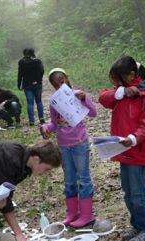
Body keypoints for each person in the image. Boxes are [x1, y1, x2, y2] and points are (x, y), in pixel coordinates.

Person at [99, 55, 145, 241]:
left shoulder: (144, 95)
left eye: (119, 79)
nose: (116, 83)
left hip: (137, 150)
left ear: (131, 74)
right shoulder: (122, 92)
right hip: (122, 149)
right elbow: (103, 98)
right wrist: (122, 91)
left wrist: (133, 138)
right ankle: (137, 224)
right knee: (128, 191)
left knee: (138, 191)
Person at [0, 140, 62, 241]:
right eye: (47, 169)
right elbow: (2, 196)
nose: (46, 173)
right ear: (37, 159)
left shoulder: (26, 164)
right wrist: (19, 234)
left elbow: (5, 192)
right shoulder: (11, 158)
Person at [40, 68, 97, 228]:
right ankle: (73, 213)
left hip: (79, 143)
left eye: (61, 79)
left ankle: (87, 215)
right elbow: (54, 123)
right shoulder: (55, 102)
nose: (59, 83)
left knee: (83, 179)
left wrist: (85, 98)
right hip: (64, 145)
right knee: (69, 180)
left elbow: (93, 113)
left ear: (66, 78)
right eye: (54, 82)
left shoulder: (78, 95)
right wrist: (45, 128)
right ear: (52, 84)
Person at [17, 48, 45, 126]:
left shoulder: (21, 62)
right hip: (37, 84)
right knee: (39, 101)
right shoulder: (37, 61)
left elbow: (20, 74)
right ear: (33, 53)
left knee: (30, 103)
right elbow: (42, 71)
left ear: (24, 53)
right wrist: (38, 80)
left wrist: (19, 84)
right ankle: (41, 118)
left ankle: (31, 121)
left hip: (27, 85)